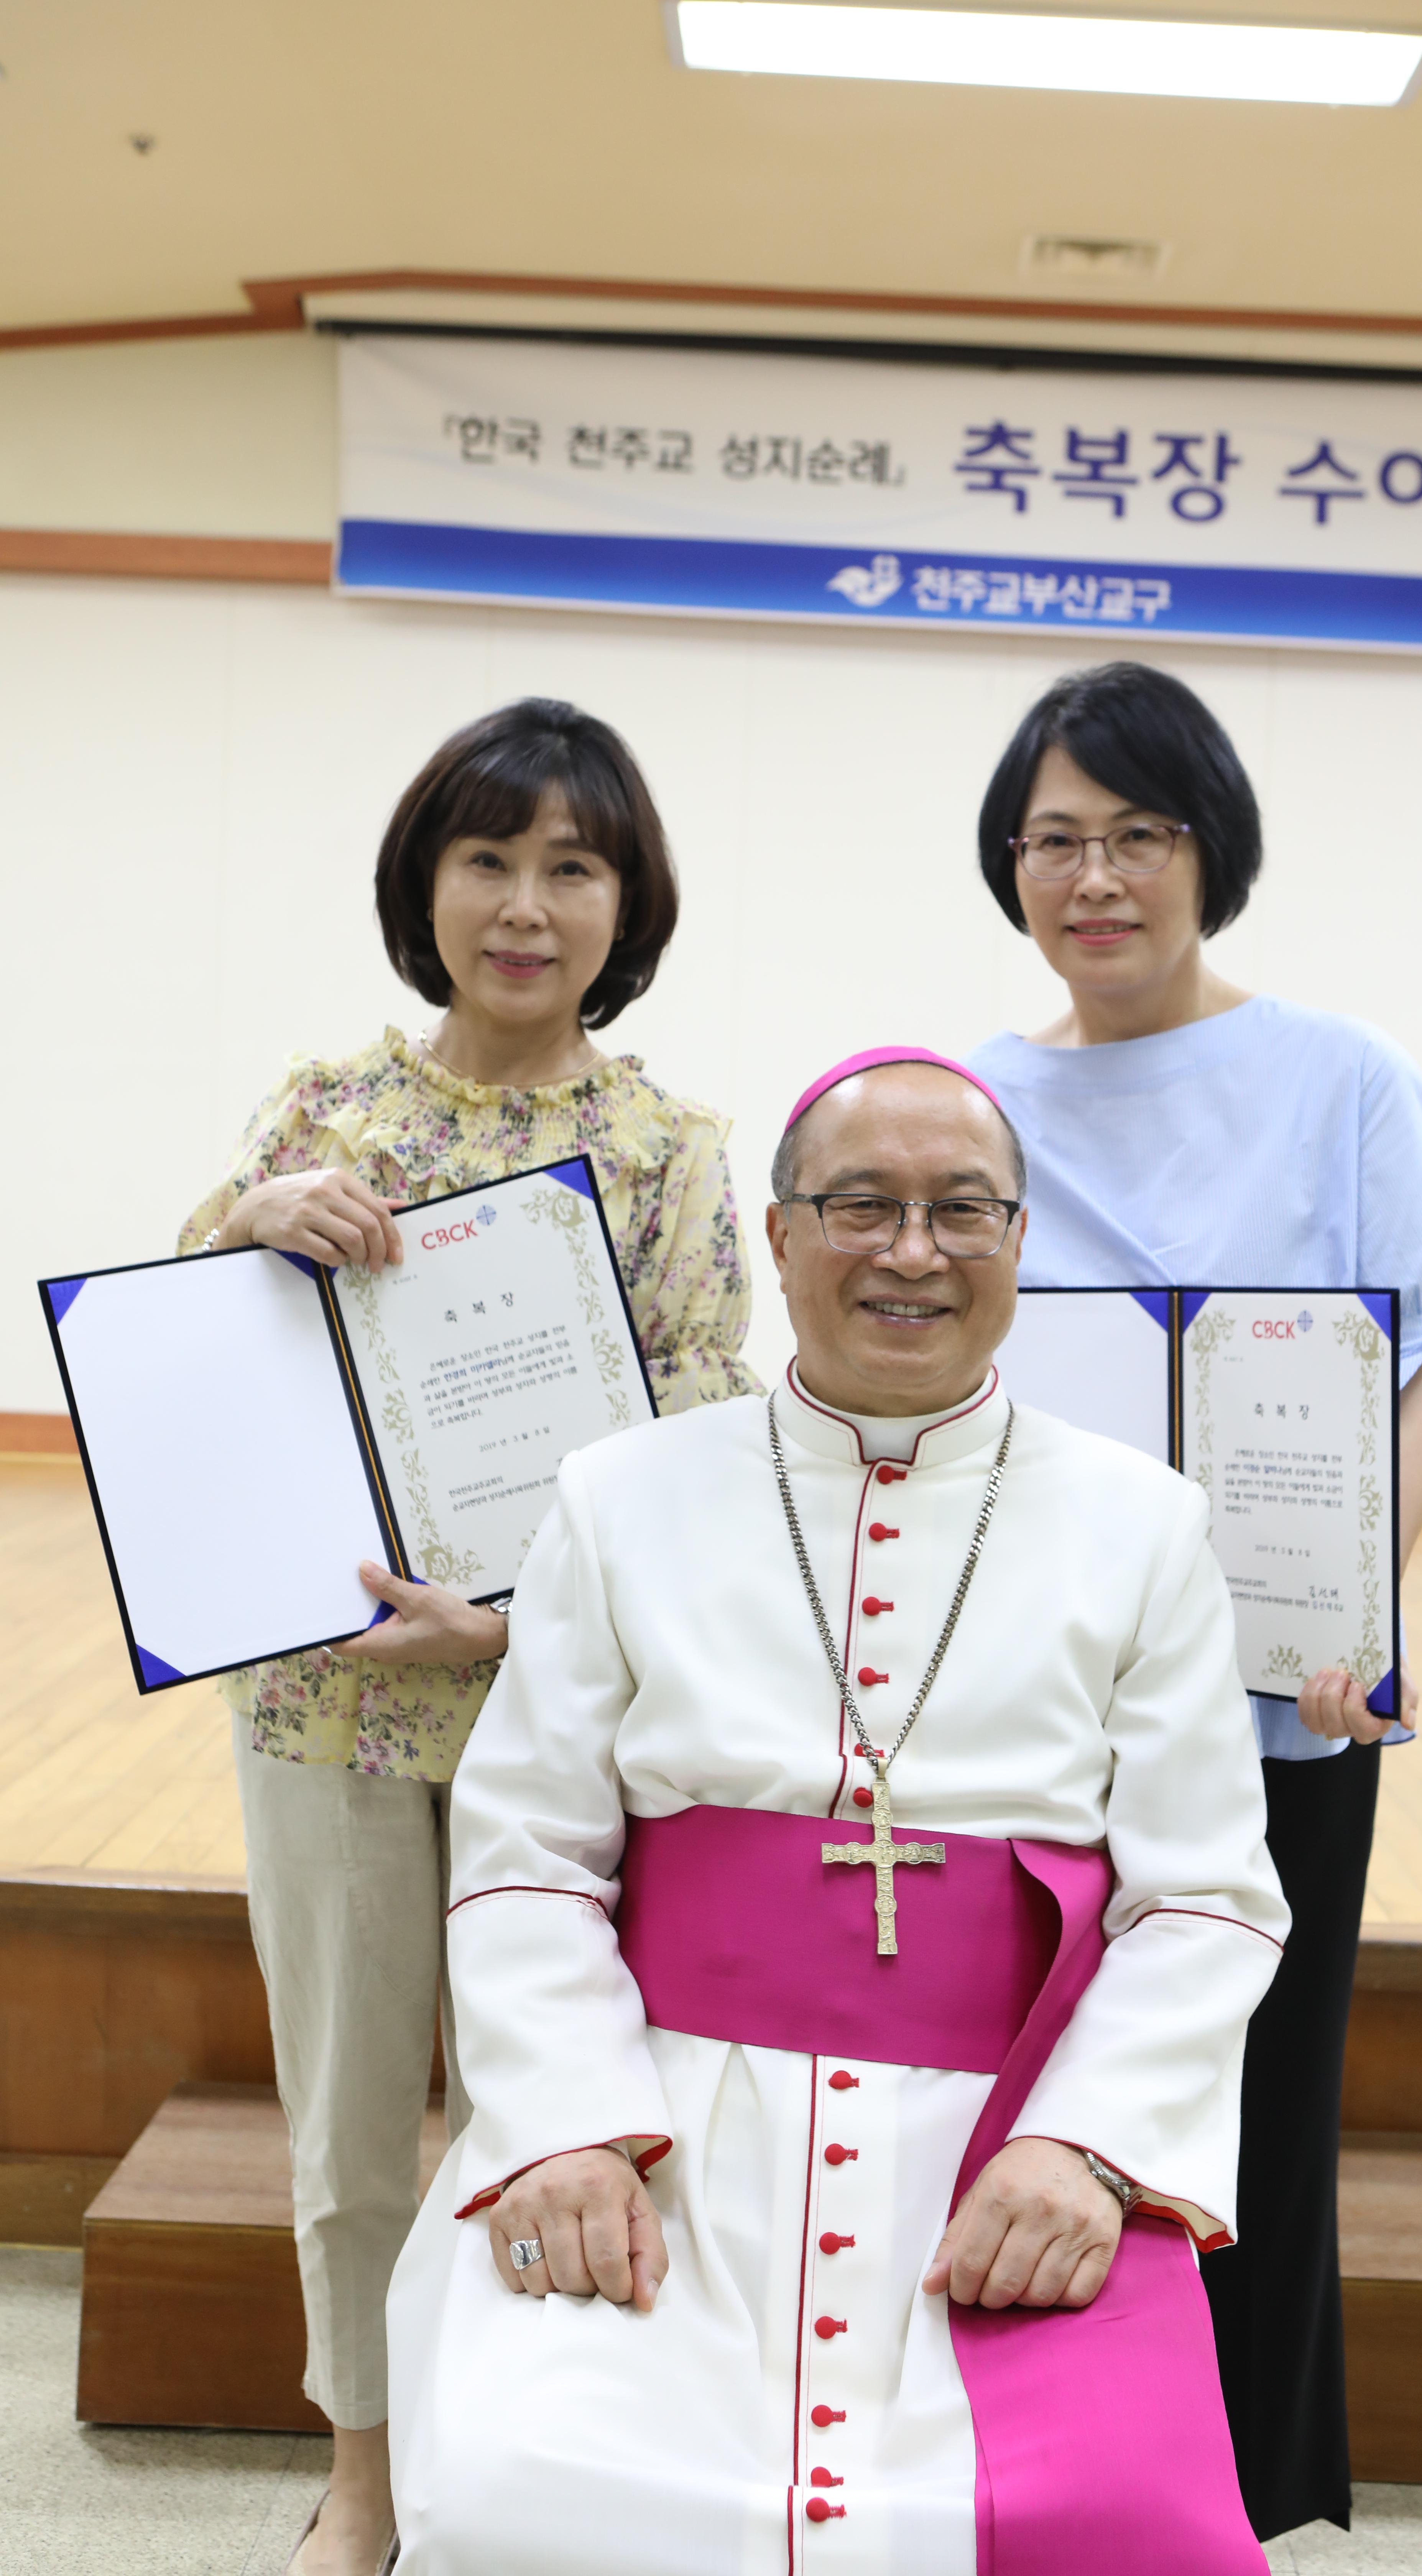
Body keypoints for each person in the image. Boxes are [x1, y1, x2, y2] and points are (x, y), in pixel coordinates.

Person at [386, 1045, 1289, 2576]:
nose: (912, 1252)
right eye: (861, 1205)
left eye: (962, 1211)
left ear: (1020, 1239)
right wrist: (567, 2130)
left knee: (1119, 2527)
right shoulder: (619, 1495)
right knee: (518, 2491)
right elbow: (528, 1857)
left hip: (999, 2140)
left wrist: (1084, 2149)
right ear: (783, 1232)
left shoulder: (1143, 1525)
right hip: (666, 2118)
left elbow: (1204, 1896)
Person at [178, 697, 759, 2576]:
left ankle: (517, 2463)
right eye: (487, 858)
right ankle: (364, 2480)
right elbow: (192, 1372)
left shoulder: (669, 1152)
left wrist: (506, 1629)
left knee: (559, 2108)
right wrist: (241, 1218)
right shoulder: (319, 1112)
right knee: (351, 2136)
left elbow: (692, 1440)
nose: (526, 905)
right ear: (424, 883)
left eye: (571, 867)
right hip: (329, 1707)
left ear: (626, 901)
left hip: (554, 1716)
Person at [965, 661, 1422, 2542]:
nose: (1094, 877)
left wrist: (1362, 1617)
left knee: (1252, 2128)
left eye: (1139, 834)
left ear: (1213, 852)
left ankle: (1236, 2514)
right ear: (1008, 864)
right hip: (1023, 1708)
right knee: (1027, 2101)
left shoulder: (1345, 1079)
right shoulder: (975, 1098)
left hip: (1281, 1702)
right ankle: (1035, 2499)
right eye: (1056, 840)